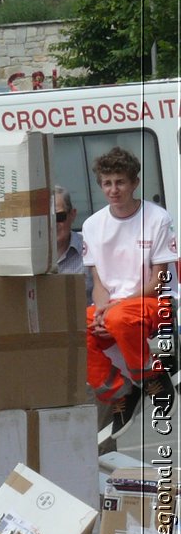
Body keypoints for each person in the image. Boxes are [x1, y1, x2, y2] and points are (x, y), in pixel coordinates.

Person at [84, 147, 180, 427]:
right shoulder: (92, 225)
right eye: (107, 183)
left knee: (118, 318)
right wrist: (102, 309)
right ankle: (120, 391)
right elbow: (99, 283)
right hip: (113, 308)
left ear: (134, 183)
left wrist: (114, 309)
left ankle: (151, 377)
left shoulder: (157, 218)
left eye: (120, 182)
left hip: (155, 302)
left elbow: (158, 280)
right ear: (101, 185)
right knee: (75, 332)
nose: (114, 190)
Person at [53, 186, 88, 303]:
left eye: (59, 217)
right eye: (46, 218)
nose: (52, 224)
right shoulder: (24, 258)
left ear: (72, 215)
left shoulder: (92, 248)